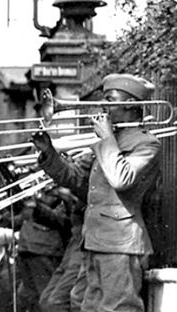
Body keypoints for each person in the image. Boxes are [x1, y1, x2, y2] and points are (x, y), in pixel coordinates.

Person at [31, 74, 161, 312]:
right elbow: (77, 180)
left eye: (110, 99)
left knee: (119, 308)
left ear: (130, 105)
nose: (103, 106)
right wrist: (49, 153)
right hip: (94, 240)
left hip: (121, 243)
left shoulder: (146, 143)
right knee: (86, 306)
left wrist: (107, 139)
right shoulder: (108, 141)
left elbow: (122, 179)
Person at [16, 185, 70, 312]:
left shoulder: (61, 189)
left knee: (45, 300)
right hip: (27, 247)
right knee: (29, 298)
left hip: (44, 249)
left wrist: (36, 205)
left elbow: (61, 220)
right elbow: (21, 215)